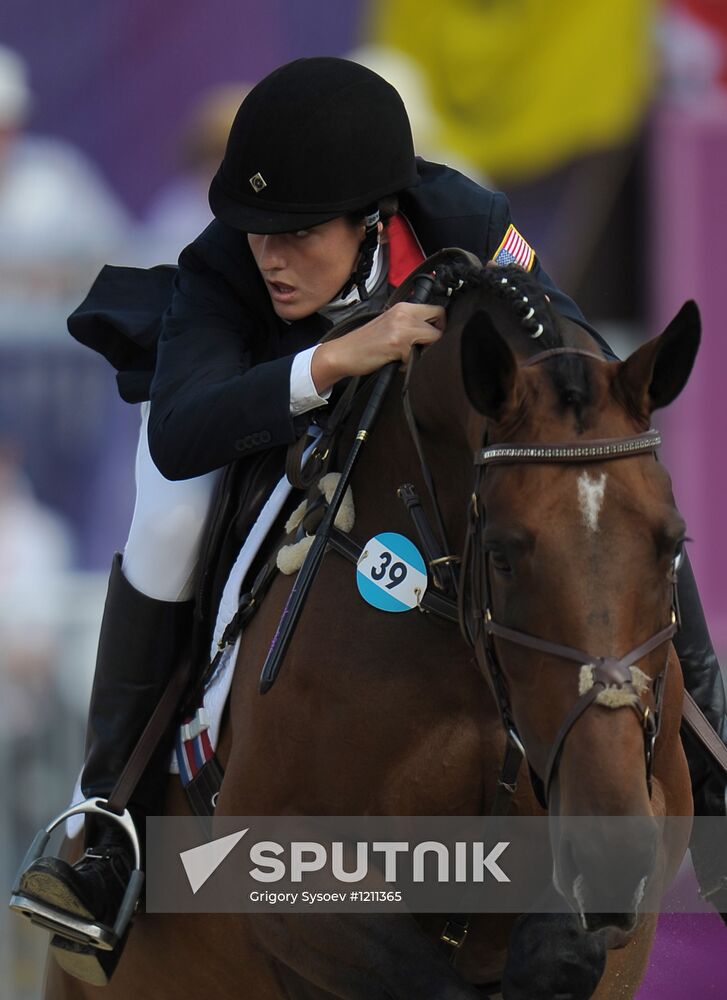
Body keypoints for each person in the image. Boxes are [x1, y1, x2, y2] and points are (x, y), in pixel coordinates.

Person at [11, 56, 727, 982]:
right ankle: (104, 816)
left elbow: (567, 346)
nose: (271, 256)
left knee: (610, 491)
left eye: (300, 234)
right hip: (241, 418)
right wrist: (335, 361)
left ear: (375, 213)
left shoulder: (464, 219)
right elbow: (187, 430)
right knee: (171, 527)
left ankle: (708, 760)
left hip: (419, 437)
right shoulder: (222, 270)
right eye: (257, 231)